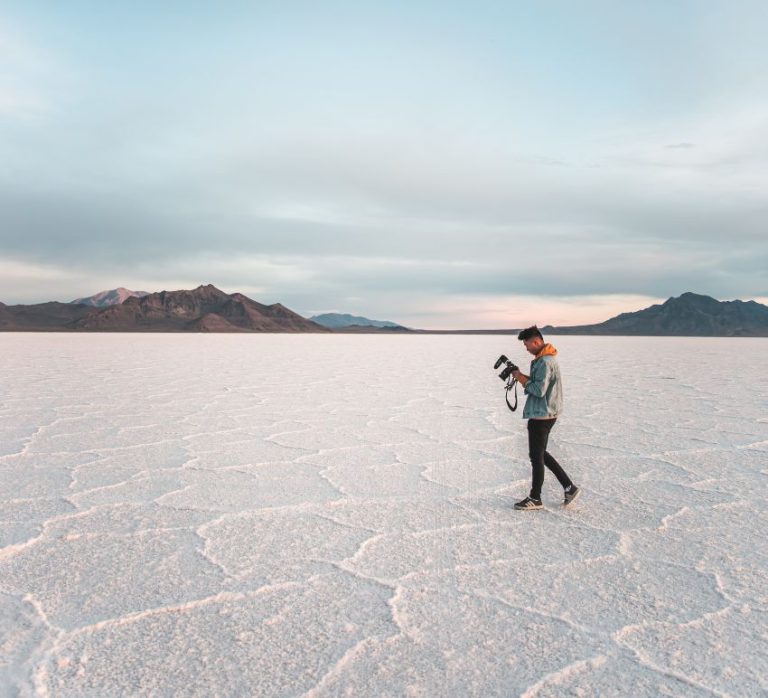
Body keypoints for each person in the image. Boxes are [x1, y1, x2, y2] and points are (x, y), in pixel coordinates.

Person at [510, 326, 580, 510]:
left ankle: (535, 498)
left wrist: (520, 378)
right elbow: (537, 384)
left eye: (527, 345)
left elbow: (538, 391)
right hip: (546, 412)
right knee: (541, 454)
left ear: (536, 341)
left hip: (542, 415)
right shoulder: (544, 360)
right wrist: (520, 376)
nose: (526, 349)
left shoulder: (545, 362)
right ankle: (569, 487)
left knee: (536, 456)